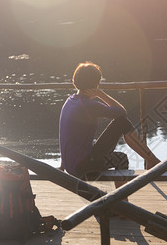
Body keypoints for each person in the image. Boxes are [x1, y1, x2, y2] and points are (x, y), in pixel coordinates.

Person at [59, 62, 160, 201]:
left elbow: (65, 136)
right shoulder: (88, 105)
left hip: (72, 164)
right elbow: (121, 112)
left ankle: (150, 160)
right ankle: (123, 205)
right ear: (95, 85)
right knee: (121, 157)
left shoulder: (70, 101)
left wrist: (63, 165)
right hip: (82, 166)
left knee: (121, 124)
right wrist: (102, 95)